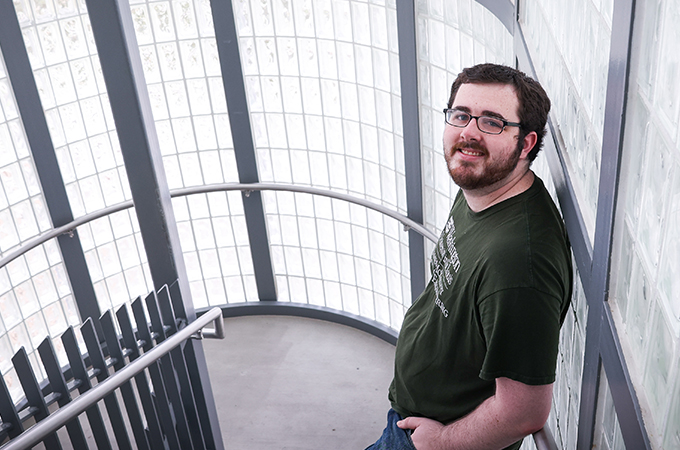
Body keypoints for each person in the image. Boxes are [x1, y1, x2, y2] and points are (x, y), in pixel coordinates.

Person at [366, 63, 573, 450]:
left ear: (525, 144)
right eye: (461, 115)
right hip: (411, 418)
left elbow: (525, 412)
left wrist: (442, 441)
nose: (468, 133)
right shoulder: (483, 187)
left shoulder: (517, 263)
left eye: (492, 122)